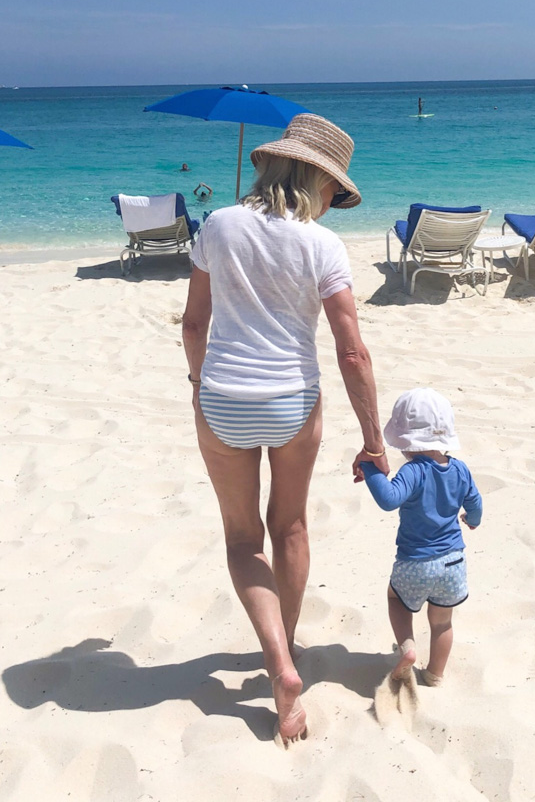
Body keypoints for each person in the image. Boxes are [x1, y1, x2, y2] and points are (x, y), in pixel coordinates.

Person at [182, 113, 389, 747]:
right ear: (315, 180)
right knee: (290, 526)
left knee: (244, 541)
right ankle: (288, 657)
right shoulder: (321, 245)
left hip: (223, 398)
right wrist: (374, 439)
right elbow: (352, 350)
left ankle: (276, 661)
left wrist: (200, 386)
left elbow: (194, 324)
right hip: (292, 401)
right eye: (333, 192)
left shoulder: (217, 226)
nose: (332, 205)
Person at [358, 389, 483, 688]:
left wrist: (368, 467)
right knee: (442, 623)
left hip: (416, 561)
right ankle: (435, 675)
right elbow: (476, 505)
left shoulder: (414, 471)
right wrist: (472, 521)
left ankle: (408, 648)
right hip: (453, 561)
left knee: (396, 600)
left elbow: (389, 499)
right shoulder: (461, 469)